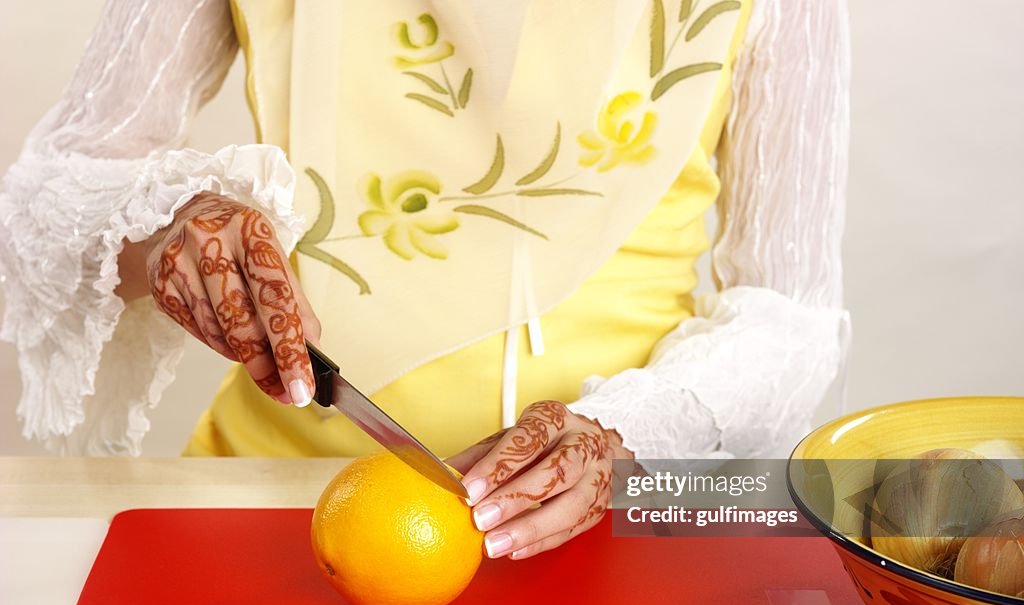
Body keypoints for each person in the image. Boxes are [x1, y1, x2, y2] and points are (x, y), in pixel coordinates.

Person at [0, 0, 850, 560]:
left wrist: (630, 431)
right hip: (272, 521)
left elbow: (793, 313)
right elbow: (47, 189)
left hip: (623, 527)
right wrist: (167, 230)